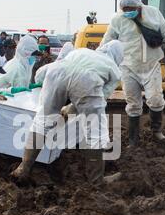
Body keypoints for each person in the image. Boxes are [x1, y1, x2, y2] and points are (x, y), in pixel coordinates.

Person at [11, 40, 124, 186]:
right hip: (87, 79)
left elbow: (44, 73)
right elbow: (102, 94)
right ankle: (97, 182)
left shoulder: (81, 51)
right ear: (118, 57)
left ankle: (23, 169)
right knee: (95, 131)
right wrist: (74, 108)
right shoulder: (114, 69)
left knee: (42, 122)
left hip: (57, 72)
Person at [100, 0, 165, 146]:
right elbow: (106, 41)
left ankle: (156, 131)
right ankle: (133, 138)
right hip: (128, 67)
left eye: (131, 8)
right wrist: (97, 58)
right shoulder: (118, 19)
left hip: (151, 65)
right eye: (125, 9)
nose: (128, 11)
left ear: (138, 5)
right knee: (133, 103)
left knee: (156, 99)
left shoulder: (153, 13)